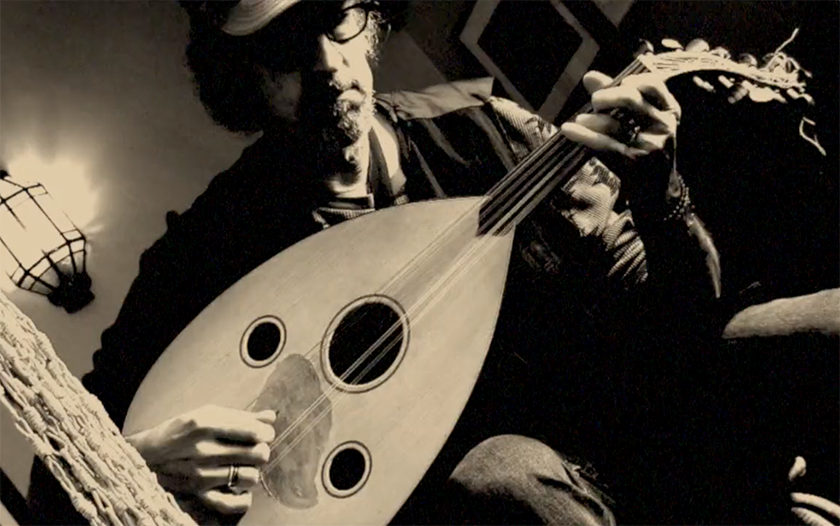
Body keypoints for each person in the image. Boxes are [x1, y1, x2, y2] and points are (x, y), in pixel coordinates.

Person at [24, 1, 840, 525]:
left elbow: (682, 316)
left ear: (369, 21)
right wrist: (142, 460)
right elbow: (59, 466)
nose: (322, 60)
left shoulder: (491, 133)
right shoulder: (208, 252)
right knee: (500, 482)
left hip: (625, 424)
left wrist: (659, 184)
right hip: (485, 495)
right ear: (239, 78)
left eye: (333, 17)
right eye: (281, 45)